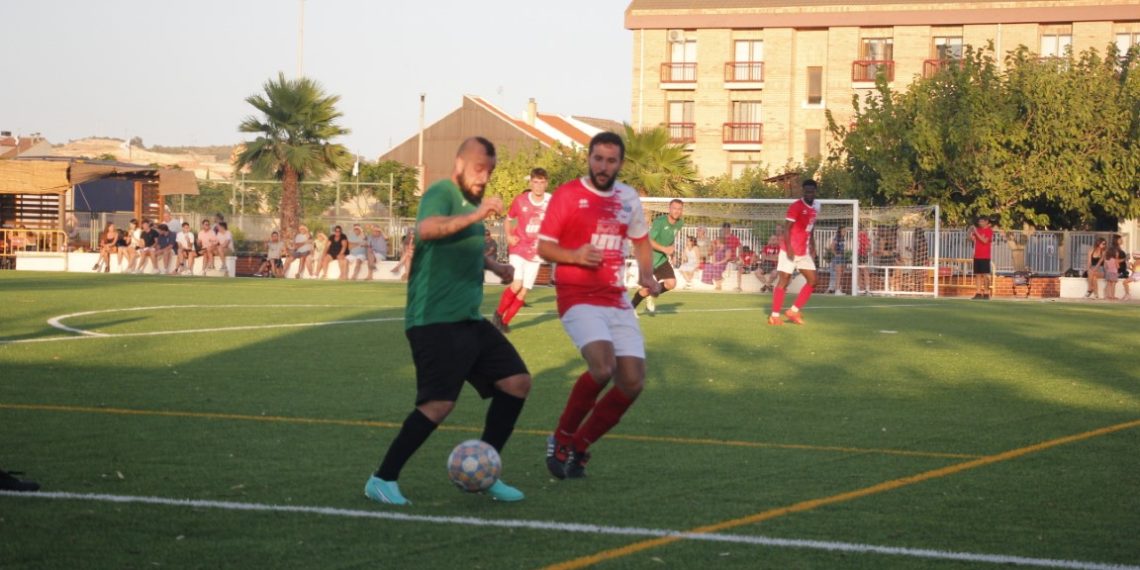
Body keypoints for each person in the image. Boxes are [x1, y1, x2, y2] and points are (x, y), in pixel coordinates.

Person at [365, 137, 529, 506]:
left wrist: (495, 266)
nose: (484, 176)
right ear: (459, 165)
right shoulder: (441, 192)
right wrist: (477, 214)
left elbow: (464, 245)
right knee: (438, 404)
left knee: (516, 382)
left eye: (490, 170)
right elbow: (428, 230)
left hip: (468, 318)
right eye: (478, 168)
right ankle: (383, 478)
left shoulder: (471, 206)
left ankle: (486, 471)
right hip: (434, 320)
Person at [537, 131, 659, 480]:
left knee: (632, 382)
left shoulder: (628, 198)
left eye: (611, 160)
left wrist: (647, 275)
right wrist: (573, 255)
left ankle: (580, 445)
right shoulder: (568, 195)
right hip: (577, 296)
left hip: (615, 297)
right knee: (603, 367)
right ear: (588, 159)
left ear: (620, 163)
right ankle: (560, 437)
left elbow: (641, 242)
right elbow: (544, 248)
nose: (603, 167)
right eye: (598, 159)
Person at [494, 168, 551, 333]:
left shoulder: (552, 201)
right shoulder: (520, 200)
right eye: (535, 182)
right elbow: (508, 220)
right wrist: (508, 236)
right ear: (530, 183)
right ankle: (498, 315)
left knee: (523, 292)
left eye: (542, 182)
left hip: (536, 252)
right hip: (518, 247)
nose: (538, 186)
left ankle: (504, 323)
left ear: (546, 184)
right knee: (517, 284)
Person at [769, 179, 821, 325]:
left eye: (811, 191)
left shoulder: (817, 206)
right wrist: (790, 249)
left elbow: (811, 226)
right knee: (784, 280)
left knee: (813, 281)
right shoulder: (795, 206)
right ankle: (774, 316)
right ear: (803, 192)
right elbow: (787, 228)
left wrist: (813, 244)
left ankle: (794, 310)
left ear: (815, 191)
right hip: (789, 250)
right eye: (806, 191)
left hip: (803, 251)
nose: (809, 194)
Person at [631, 198, 683, 315]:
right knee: (644, 291)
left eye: (679, 209)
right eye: (674, 208)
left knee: (671, 284)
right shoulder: (659, 222)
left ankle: (651, 294)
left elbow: (670, 238)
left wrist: (672, 254)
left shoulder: (680, 223)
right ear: (669, 209)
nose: (677, 211)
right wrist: (665, 249)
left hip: (661, 259)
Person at [968, 217, 994, 300]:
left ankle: (986, 293)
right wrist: (970, 230)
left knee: (986, 275)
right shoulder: (978, 230)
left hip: (985, 256)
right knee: (978, 275)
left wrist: (976, 232)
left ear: (986, 222)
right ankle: (978, 293)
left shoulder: (989, 231)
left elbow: (984, 241)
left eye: (982, 221)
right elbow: (969, 238)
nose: (980, 223)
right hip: (977, 256)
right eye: (979, 221)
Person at [720, 222, 744, 291]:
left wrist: (739, 256)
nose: (726, 230)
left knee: (740, 266)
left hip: (732, 258)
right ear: (723, 229)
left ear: (729, 229)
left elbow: (740, 246)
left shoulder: (734, 238)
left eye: (727, 228)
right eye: (724, 228)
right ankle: (719, 285)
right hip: (723, 258)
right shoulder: (721, 238)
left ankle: (739, 286)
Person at [827, 228, 848, 295]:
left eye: (845, 231)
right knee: (838, 274)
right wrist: (836, 254)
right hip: (838, 258)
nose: (845, 232)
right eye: (844, 231)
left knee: (840, 273)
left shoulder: (842, 239)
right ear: (840, 231)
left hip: (842, 257)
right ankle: (837, 290)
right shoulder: (837, 238)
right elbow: (831, 247)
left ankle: (838, 289)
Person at [1104, 237, 1123, 301]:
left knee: (1108, 284)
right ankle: (1112, 296)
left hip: (1108, 273)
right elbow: (1117, 266)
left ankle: (1107, 296)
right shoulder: (1115, 260)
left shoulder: (1107, 260)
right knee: (1113, 285)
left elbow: (1105, 267)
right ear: (1115, 254)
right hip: (1114, 273)